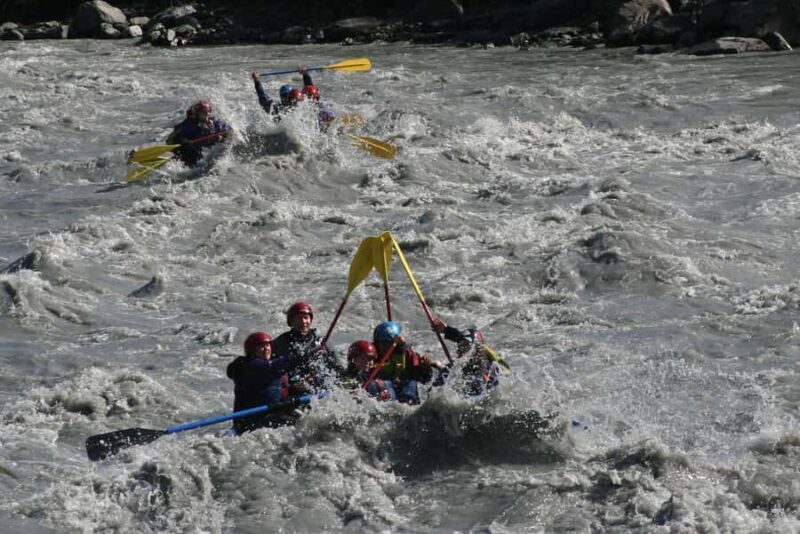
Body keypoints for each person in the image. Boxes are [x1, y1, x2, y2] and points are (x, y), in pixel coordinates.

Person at [226, 331, 297, 434]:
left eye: (268, 345)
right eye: (261, 346)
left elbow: (280, 387)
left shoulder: (268, 366)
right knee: (295, 422)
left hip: (268, 413)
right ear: (252, 350)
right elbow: (275, 367)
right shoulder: (251, 366)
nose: (266, 349)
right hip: (250, 421)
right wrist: (304, 356)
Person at [271, 301, 342, 396]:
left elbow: (338, 369)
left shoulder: (322, 342)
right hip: (293, 391)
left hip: (320, 391)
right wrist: (290, 387)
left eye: (306, 318)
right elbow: (273, 373)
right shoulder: (280, 344)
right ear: (291, 321)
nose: (303, 322)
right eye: (299, 318)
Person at [431, 317, 511, 395]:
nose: (461, 352)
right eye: (460, 347)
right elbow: (463, 338)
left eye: (465, 349)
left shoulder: (491, 367)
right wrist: (446, 329)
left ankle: (439, 366)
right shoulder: (455, 367)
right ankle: (439, 366)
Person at [370, 321, 444, 405]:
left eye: (390, 344)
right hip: (385, 386)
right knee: (377, 384)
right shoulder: (370, 353)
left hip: (404, 384)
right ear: (377, 343)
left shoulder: (407, 353)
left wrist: (426, 366)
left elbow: (425, 378)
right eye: (383, 343)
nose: (386, 347)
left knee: (410, 384)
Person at [165, 100, 229, 166]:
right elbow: (179, 136)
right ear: (198, 113)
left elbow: (225, 128)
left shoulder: (214, 122)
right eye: (204, 112)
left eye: (208, 111)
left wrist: (225, 133)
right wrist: (184, 141)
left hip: (201, 147)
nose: (207, 114)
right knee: (192, 154)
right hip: (186, 148)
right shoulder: (191, 124)